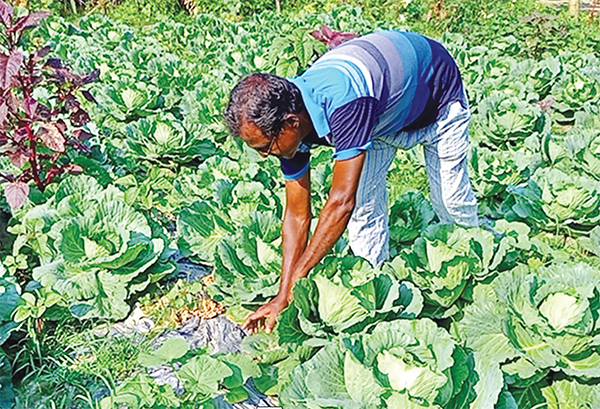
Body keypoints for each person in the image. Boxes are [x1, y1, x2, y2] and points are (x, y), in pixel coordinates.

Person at [223, 30, 479, 333]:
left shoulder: (345, 103)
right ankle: (374, 294)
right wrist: (283, 293)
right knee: (365, 211)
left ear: (291, 124)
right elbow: (296, 215)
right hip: (384, 116)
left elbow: (340, 202)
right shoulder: (287, 124)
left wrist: (298, 280)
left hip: (436, 99)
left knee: (450, 202)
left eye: (265, 147)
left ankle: (476, 268)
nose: (265, 156)